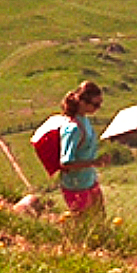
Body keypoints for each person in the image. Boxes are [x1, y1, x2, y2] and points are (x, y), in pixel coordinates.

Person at [57, 81, 110, 218]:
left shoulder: (84, 120)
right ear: (82, 102)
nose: (98, 108)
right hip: (76, 186)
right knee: (85, 223)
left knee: (100, 220)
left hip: (89, 180)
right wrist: (94, 163)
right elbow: (66, 163)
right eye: (95, 104)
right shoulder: (73, 128)